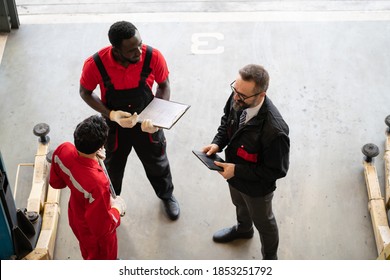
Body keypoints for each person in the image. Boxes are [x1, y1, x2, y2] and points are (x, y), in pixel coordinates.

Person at [79, 21, 179, 220]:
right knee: (112, 166)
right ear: (116, 50)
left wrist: (156, 117)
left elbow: (164, 85)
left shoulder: (153, 56)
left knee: (157, 162)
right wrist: (111, 114)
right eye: (132, 50)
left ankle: (166, 196)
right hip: (115, 126)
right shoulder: (96, 64)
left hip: (146, 122)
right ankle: (112, 202)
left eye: (140, 45)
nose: (139, 53)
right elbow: (85, 92)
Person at [202, 64, 290, 260]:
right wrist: (218, 144)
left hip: (257, 188)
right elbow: (227, 121)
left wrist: (237, 171)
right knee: (239, 204)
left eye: (242, 95)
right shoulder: (239, 98)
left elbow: (276, 171)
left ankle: (270, 259)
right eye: (235, 90)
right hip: (234, 173)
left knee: (264, 223)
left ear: (261, 95)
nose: (235, 97)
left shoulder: (275, 132)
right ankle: (244, 229)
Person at [49, 115, 127, 260]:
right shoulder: (98, 184)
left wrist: (95, 160)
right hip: (94, 234)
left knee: (87, 250)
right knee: (100, 257)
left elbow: (56, 183)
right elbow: (102, 229)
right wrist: (117, 209)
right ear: (101, 146)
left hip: (76, 215)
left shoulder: (63, 149)